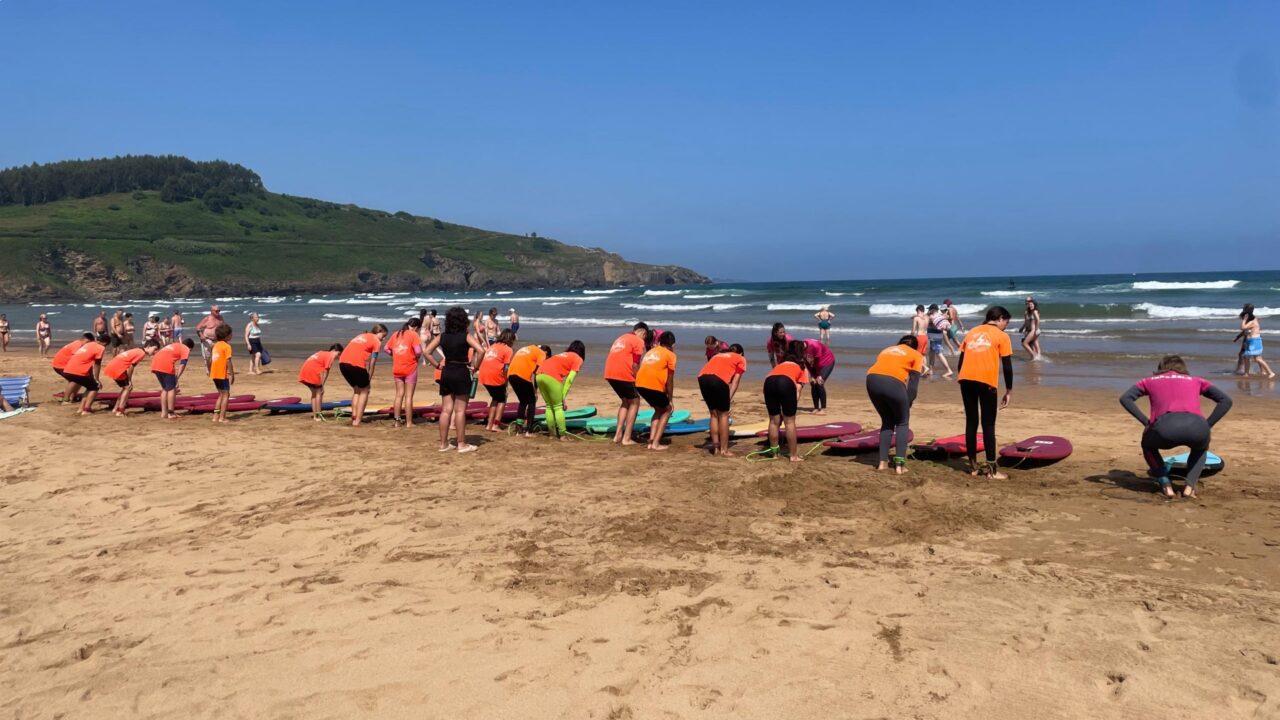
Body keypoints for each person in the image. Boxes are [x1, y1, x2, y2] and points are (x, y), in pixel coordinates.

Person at [1119, 355, 1232, 498]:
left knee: (1147, 445)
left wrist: (1146, 422)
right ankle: (1189, 487)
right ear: (1183, 368)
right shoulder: (1197, 380)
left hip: (1164, 428)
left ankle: (1166, 485)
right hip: (1197, 426)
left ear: (1161, 368)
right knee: (1200, 448)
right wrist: (1208, 424)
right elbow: (1225, 400)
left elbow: (1125, 398)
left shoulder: (1148, 381)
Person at [956, 306, 1014, 479]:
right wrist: (1009, 390)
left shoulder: (972, 332)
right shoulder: (1002, 336)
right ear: (1000, 318)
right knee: (988, 425)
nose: (1006, 327)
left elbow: (961, 362)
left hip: (965, 380)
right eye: (1006, 323)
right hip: (986, 382)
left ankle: (973, 467)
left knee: (971, 422)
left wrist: (963, 379)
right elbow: (1007, 366)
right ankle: (992, 471)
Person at [424, 307, 485, 452]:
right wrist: (476, 367)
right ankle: (461, 444)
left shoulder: (442, 336)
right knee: (460, 411)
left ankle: (444, 444)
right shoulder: (466, 336)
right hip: (461, 371)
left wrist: (437, 365)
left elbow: (427, 352)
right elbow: (481, 350)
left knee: (446, 410)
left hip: (447, 371)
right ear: (463, 321)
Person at [866, 336, 926, 474]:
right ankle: (899, 465)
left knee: (887, 421)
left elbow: (882, 368)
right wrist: (908, 402)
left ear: (900, 343)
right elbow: (913, 385)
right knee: (902, 423)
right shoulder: (916, 355)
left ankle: (882, 463)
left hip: (871, 380)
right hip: (893, 383)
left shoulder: (887, 349)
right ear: (915, 347)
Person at [604, 322, 650, 446]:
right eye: (645, 337)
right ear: (643, 333)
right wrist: (638, 380)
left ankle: (618, 435)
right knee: (635, 401)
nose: (644, 340)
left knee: (625, 401)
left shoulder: (621, 338)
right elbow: (635, 365)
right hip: (623, 373)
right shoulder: (638, 341)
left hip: (610, 373)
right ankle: (627, 438)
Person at [763, 340, 809, 462]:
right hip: (786, 382)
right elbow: (797, 389)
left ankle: (774, 454)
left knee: (774, 421)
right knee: (789, 421)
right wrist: (790, 409)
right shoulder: (801, 367)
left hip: (769, 381)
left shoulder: (780, 364)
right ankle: (793, 456)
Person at [698, 342, 747, 457]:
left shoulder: (718, 355)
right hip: (718, 379)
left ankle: (716, 448)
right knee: (724, 414)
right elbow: (735, 382)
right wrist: (728, 398)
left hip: (702, 378)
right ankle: (724, 450)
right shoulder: (740, 358)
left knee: (713, 414)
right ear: (741, 353)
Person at [337, 323, 388, 427]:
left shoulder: (361, 335)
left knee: (357, 390)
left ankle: (354, 416)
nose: (383, 339)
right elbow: (372, 362)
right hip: (356, 365)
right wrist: (369, 378)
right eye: (383, 336)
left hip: (342, 363)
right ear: (378, 332)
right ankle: (358, 421)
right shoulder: (376, 341)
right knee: (365, 390)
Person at [636, 331, 678, 451]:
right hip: (652, 385)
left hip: (639, 384)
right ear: (673, 345)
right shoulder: (671, 355)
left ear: (660, 342)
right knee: (667, 410)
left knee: (658, 410)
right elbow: (670, 380)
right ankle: (655, 444)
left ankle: (651, 442)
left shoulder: (651, 351)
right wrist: (670, 399)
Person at [536, 341, 585, 441]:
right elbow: (570, 379)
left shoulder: (562, 354)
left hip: (539, 375)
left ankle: (552, 434)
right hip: (551, 376)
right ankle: (563, 435)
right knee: (558, 407)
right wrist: (563, 396)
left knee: (549, 406)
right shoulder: (578, 359)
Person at [386, 314, 425, 427]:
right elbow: (418, 351)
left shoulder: (396, 334)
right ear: (416, 327)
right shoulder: (414, 335)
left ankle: (397, 421)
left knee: (399, 395)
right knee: (408, 396)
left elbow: (386, 349)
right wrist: (416, 357)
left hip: (397, 368)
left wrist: (395, 355)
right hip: (410, 368)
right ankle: (409, 422)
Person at [507, 343, 550, 437]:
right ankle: (529, 431)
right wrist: (535, 391)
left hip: (511, 375)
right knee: (532, 401)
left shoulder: (527, 348)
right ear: (546, 353)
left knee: (523, 401)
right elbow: (537, 373)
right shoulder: (542, 353)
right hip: (522, 376)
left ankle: (519, 429)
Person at [103, 344, 157, 416]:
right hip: (116, 368)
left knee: (126, 388)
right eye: (155, 349)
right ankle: (120, 410)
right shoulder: (141, 353)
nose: (155, 351)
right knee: (128, 387)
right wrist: (129, 380)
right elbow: (131, 366)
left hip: (113, 366)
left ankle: (116, 408)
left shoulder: (138, 350)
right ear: (148, 346)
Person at [479, 329, 516, 432]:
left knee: (495, 398)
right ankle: (496, 425)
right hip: (495, 375)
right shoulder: (508, 349)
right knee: (502, 399)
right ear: (510, 339)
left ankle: (489, 424)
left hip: (483, 374)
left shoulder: (493, 346)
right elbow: (506, 368)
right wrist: (506, 382)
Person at [63, 333, 108, 416]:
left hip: (67, 370)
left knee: (90, 386)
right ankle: (86, 409)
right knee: (95, 387)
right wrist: (97, 379)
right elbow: (97, 364)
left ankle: (80, 409)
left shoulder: (88, 344)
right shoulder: (101, 347)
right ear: (105, 343)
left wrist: (93, 378)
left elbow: (87, 363)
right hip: (76, 372)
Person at [151, 337, 195, 420]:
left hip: (155, 363)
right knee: (172, 389)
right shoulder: (186, 349)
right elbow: (183, 364)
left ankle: (164, 413)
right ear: (190, 348)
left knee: (165, 389)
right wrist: (177, 376)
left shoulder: (175, 345)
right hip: (165, 365)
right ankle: (171, 413)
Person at [298, 344, 343, 420]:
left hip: (305, 371)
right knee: (319, 393)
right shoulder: (330, 355)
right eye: (338, 354)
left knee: (314, 394)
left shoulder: (322, 352)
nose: (338, 357)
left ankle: (315, 416)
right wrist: (322, 385)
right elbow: (326, 371)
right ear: (333, 350)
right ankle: (318, 415)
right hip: (312, 372)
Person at [52, 333, 94, 403]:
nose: (88, 345)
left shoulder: (80, 345)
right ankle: (65, 400)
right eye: (88, 343)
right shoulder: (78, 345)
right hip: (60, 365)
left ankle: (72, 397)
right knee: (75, 378)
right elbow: (77, 359)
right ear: (84, 340)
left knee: (81, 378)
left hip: (65, 364)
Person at [209, 324, 235, 424]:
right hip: (222, 373)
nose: (232, 335)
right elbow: (228, 361)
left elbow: (210, 360)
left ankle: (215, 416)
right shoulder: (227, 346)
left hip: (214, 373)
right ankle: (222, 417)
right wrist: (231, 374)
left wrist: (210, 370)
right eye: (231, 334)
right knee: (226, 394)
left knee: (220, 394)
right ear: (226, 336)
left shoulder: (215, 345)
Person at [1238, 308, 1275, 378]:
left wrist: (1244, 320)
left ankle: (1271, 372)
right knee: (1246, 357)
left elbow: (1242, 327)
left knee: (1258, 358)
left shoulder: (1253, 321)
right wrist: (1238, 337)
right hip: (1250, 342)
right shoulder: (1251, 320)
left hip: (1255, 342)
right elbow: (1244, 331)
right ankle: (1246, 373)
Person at [803, 338, 836, 415]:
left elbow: (817, 361)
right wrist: (812, 375)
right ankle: (816, 408)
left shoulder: (814, 345)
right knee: (813, 383)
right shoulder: (799, 350)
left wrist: (818, 375)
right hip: (815, 365)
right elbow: (807, 363)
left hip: (827, 362)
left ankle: (823, 409)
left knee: (819, 383)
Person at [926, 304, 954, 379]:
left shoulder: (932, 317)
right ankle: (931, 370)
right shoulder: (940, 316)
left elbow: (931, 323)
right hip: (935, 337)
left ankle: (949, 370)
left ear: (932, 310)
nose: (928, 311)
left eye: (929, 309)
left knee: (939, 353)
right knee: (931, 352)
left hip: (935, 338)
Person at [195, 305, 224, 372]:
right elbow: (198, 328)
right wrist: (201, 336)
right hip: (208, 341)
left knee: (217, 356)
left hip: (218, 340)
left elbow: (223, 328)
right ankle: (209, 371)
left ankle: (214, 371)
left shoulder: (221, 318)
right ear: (211, 311)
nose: (218, 312)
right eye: (216, 311)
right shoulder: (207, 319)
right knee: (208, 358)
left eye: (219, 311)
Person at [1020, 297, 1042, 361]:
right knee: (1033, 343)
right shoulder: (1028, 312)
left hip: (1033, 330)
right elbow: (1026, 322)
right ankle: (1037, 358)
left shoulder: (1035, 311)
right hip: (1029, 330)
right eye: (1027, 301)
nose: (1029, 304)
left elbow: (1038, 320)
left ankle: (1034, 356)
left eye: (1031, 303)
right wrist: (1022, 328)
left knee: (1024, 343)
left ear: (1034, 303)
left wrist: (1036, 329)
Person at [911, 306, 929, 372]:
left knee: (917, 355)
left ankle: (925, 367)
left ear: (918, 310)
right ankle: (924, 370)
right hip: (925, 337)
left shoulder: (916, 318)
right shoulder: (927, 317)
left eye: (917, 311)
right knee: (923, 355)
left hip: (920, 337)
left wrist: (911, 337)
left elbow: (913, 330)